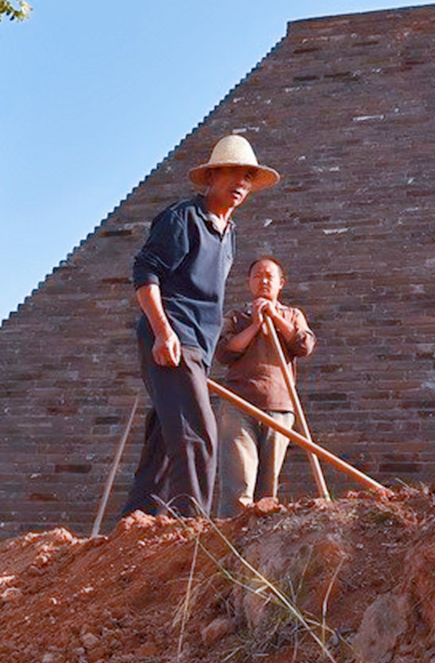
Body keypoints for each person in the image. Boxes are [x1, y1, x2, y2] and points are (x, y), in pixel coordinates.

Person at [121, 134, 281, 518]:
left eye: (247, 176)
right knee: (199, 434)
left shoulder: (229, 234)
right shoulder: (183, 218)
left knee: (164, 440)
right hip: (176, 339)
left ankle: (137, 525)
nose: (240, 182)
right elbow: (146, 273)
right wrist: (163, 331)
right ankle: (191, 529)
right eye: (232, 172)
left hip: (199, 346)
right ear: (211, 176)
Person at [214, 256, 316, 514]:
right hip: (239, 404)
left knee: (267, 490)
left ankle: (258, 543)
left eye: (270, 276)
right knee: (238, 484)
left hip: (279, 407)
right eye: (258, 275)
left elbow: (304, 345)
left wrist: (275, 316)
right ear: (249, 283)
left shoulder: (293, 315)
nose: (264, 280)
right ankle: (229, 543)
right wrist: (256, 324)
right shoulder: (237, 317)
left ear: (281, 283)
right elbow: (224, 352)